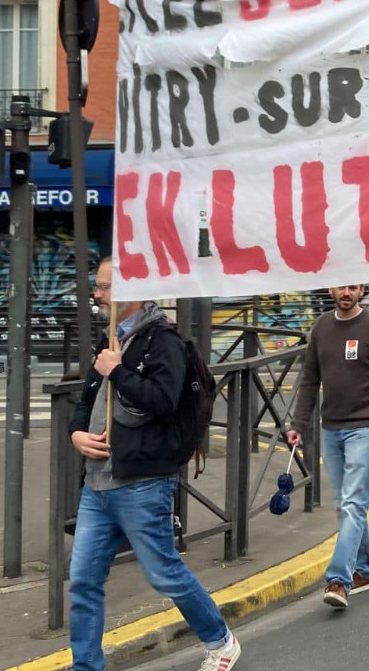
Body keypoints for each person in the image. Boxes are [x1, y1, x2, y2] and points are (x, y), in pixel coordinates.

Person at [68, 258, 242, 671]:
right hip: (98, 484)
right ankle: (85, 666)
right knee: (83, 581)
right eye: (98, 287)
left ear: (130, 292)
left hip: (143, 482)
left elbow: (163, 401)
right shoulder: (112, 340)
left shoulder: (164, 342)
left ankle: (221, 641)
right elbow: (87, 399)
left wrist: (119, 370)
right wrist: (76, 434)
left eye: (106, 288)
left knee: (164, 573)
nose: (98, 295)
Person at [286, 284, 369, 609]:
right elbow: (309, 379)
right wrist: (298, 425)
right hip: (331, 429)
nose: (347, 292)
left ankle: (340, 579)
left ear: (363, 289)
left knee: (353, 502)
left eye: (353, 287)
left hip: (365, 428)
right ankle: (367, 569)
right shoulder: (322, 327)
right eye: (342, 286)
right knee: (344, 504)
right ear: (332, 288)